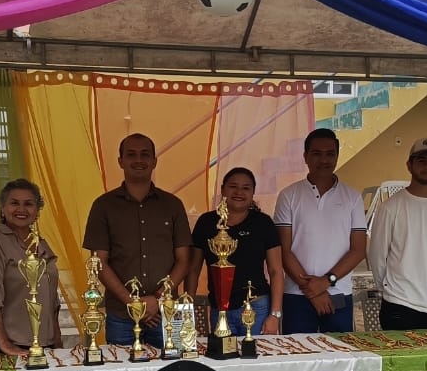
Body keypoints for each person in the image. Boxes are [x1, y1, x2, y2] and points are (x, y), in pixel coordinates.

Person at [83, 133, 191, 347]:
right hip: (122, 316)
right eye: (131, 154)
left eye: (145, 154)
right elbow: (99, 263)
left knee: (175, 368)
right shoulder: (103, 206)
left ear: (154, 161)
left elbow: (184, 260)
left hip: (165, 313)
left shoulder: (172, 205)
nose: (138, 160)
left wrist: (157, 299)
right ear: (120, 161)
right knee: (121, 369)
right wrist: (133, 304)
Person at [274, 128, 367, 333]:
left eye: (330, 154)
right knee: (296, 351)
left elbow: (358, 250)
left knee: (338, 351)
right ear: (305, 157)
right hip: (296, 295)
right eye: (316, 153)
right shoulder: (288, 195)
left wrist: (326, 282)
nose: (324, 160)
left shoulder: (352, 197)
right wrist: (313, 291)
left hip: (338, 294)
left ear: (337, 156)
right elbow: (283, 250)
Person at [365, 138, 427, 330]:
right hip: (400, 303)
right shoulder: (390, 207)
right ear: (409, 165)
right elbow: (377, 256)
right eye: (421, 161)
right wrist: (389, 290)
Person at [187, 167, 284, 336]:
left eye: (246, 188)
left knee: (256, 352)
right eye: (233, 186)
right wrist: (187, 312)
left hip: (256, 307)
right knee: (222, 353)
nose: (239, 192)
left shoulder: (263, 223)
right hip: (219, 308)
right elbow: (193, 269)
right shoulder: (207, 222)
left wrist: (275, 314)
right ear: (223, 189)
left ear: (253, 193)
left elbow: (276, 271)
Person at [0, 179, 63, 355]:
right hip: (9, 346)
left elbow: (51, 298)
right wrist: (5, 345)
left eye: (28, 204)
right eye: (14, 203)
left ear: (37, 210)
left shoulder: (41, 243)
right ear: (3, 207)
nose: (21, 209)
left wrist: (57, 341)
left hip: (45, 344)